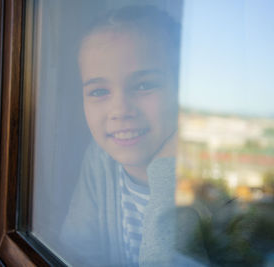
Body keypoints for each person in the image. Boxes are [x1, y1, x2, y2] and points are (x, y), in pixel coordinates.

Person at [60, 6, 205, 266]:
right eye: (98, 91)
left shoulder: (206, 179)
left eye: (143, 85)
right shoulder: (99, 158)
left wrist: (165, 171)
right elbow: (77, 253)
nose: (120, 111)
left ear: (183, 90)